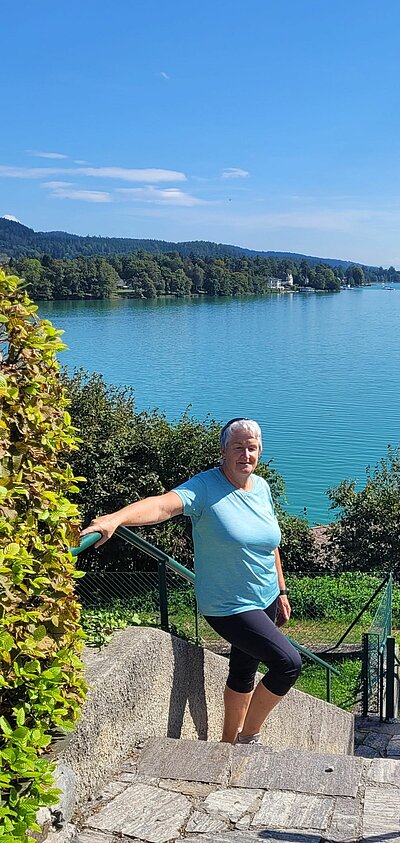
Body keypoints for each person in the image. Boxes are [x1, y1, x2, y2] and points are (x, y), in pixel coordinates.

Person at [81, 417, 302, 745]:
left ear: (259, 451)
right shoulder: (204, 488)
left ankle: (228, 745)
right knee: (288, 663)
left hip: (266, 596)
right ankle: (248, 737)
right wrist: (117, 519)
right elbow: (161, 506)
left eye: (252, 448)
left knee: (243, 669)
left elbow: (270, 543)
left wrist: (281, 589)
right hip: (229, 605)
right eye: (238, 447)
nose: (246, 454)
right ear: (223, 451)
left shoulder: (262, 488)